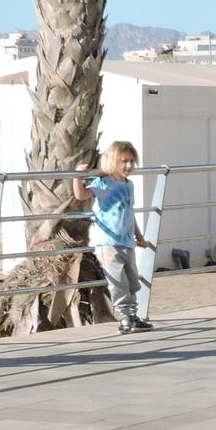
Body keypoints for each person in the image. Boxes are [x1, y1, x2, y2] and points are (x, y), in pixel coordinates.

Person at [72, 141, 153, 334]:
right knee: (117, 282)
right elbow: (81, 195)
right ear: (112, 161)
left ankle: (133, 315)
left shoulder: (129, 185)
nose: (129, 166)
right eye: (124, 161)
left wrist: (138, 234)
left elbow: (129, 212)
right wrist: (77, 176)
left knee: (132, 281)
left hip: (126, 240)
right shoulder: (104, 183)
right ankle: (125, 317)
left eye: (132, 161)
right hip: (108, 242)